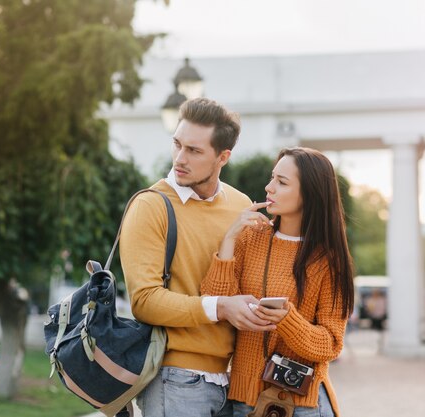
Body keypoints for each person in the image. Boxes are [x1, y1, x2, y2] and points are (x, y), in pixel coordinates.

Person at [120, 97, 275, 417]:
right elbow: (144, 300)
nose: (180, 158)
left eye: (194, 150)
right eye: (177, 145)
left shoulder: (240, 204)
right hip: (172, 379)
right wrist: (220, 307)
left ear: (223, 156)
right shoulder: (150, 205)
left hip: (231, 382)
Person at [202, 147, 354, 417]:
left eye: (282, 182)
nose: (269, 187)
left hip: (300, 404)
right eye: (273, 178)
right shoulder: (251, 238)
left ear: (310, 193)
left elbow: (330, 344)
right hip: (245, 400)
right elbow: (216, 302)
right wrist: (229, 240)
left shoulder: (329, 260)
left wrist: (287, 319)